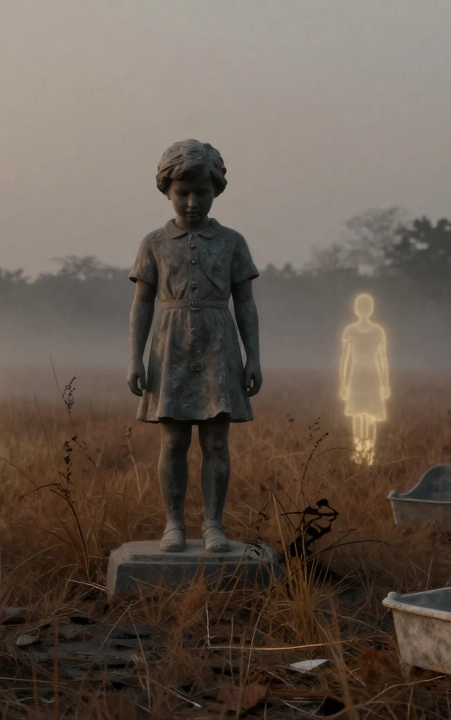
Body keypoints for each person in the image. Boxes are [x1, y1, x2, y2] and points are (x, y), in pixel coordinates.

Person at [127, 139, 261, 553]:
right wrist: (135, 356)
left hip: (218, 345)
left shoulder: (233, 241)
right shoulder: (154, 242)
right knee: (173, 442)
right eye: (182, 193)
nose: (191, 202)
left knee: (217, 441)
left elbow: (246, 303)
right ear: (167, 191)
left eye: (201, 192)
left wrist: (253, 355)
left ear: (216, 190)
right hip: (170, 347)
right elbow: (142, 303)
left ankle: (214, 524)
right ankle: (174, 524)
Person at [339, 294, 391, 464]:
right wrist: (343, 384)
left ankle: (368, 452)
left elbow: (383, 359)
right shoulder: (350, 331)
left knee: (369, 416)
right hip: (357, 375)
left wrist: (385, 383)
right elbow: (345, 360)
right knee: (358, 416)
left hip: (371, 376)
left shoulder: (378, 331)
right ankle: (358, 451)